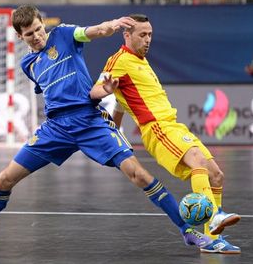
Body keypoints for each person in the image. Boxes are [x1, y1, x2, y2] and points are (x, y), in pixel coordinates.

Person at [0, 5, 212, 251]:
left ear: (43, 24)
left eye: (39, 29)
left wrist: (113, 24)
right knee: (4, 179)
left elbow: (95, 31)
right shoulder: (28, 64)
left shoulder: (64, 35)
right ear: (20, 36)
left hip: (89, 121)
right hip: (55, 128)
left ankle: (187, 229)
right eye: (29, 34)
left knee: (138, 175)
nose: (37, 36)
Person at [90, 14, 241, 254]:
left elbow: (121, 101)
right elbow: (97, 89)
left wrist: (115, 125)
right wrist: (105, 91)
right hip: (157, 128)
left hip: (174, 125)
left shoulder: (141, 61)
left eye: (150, 35)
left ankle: (213, 240)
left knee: (216, 175)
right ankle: (213, 215)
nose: (148, 40)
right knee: (197, 163)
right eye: (142, 35)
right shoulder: (118, 60)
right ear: (126, 35)